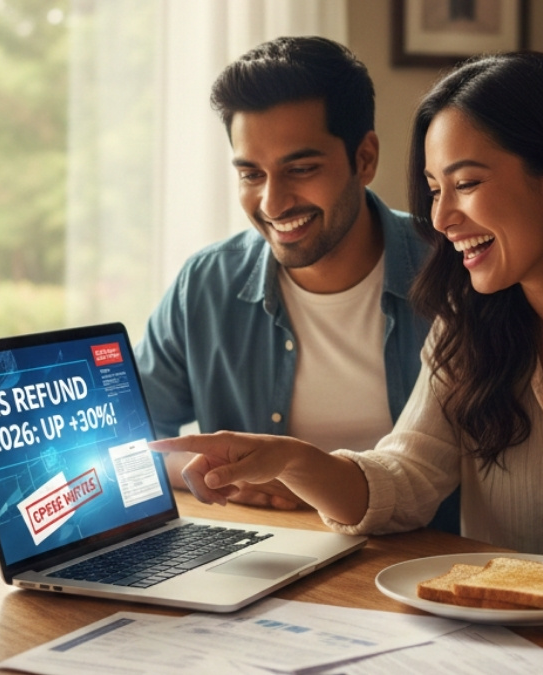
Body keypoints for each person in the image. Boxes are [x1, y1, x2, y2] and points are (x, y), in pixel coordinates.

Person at [151, 51, 543, 555]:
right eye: (434, 190)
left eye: (466, 183)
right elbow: (408, 476)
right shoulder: (468, 318)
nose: (441, 220)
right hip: (498, 613)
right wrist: (291, 460)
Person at [133, 37, 444, 520]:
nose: (273, 203)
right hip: (268, 549)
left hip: (421, 553)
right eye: (251, 175)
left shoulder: (451, 272)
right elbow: (129, 439)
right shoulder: (205, 284)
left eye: (300, 169)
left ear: (364, 159)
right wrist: (221, 475)